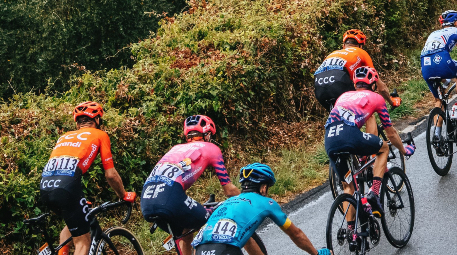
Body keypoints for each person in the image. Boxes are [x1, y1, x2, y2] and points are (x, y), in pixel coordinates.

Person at [40, 102, 136, 255]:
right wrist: (123, 195)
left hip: (45, 187)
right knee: (83, 241)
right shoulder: (100, 135)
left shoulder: (64, 137)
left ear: (77, 122)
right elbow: (110, 174)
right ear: (97, 120)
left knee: (71, 225)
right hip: (67, 187)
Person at [323, 66, 414, 220]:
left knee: (348, 186)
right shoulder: (377, 98)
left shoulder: (343, 96)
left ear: (355, 85)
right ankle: (374, 193)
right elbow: (390, 133)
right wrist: (404, 150)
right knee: (383, 148)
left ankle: (352, 232)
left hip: (330, 139)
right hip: (350, 135)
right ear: (373, 85)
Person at [141, 116, 240, 255]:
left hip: (146, 202)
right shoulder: (212, 148)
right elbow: (229, 190)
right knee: (213, 215)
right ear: (207, 133)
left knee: (185, 234)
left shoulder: (176, 148)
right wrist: (248, 201)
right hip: (170, 197)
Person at [191, 164, 328, 255]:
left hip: (199, 249)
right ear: (263, 187)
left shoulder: (227, 202)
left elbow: (248, 240)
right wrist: (316, 254)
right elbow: (296, 234)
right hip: (226, 250)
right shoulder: (266, 202)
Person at [313, 30, 397, 111]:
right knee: (365, 111)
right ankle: (379, 124)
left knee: (338, 119)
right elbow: (380, 87)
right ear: (360, 46)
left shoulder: (332, 53)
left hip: (319, 87)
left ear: (344, 45)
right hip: (338, 82)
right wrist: (391, 101)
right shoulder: (361, 52)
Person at [419, 11, 457, 121]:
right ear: (455, 22)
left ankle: (436, 135)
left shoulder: (433, 34)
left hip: (425, 65)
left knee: (438, 101)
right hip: (441, 59)